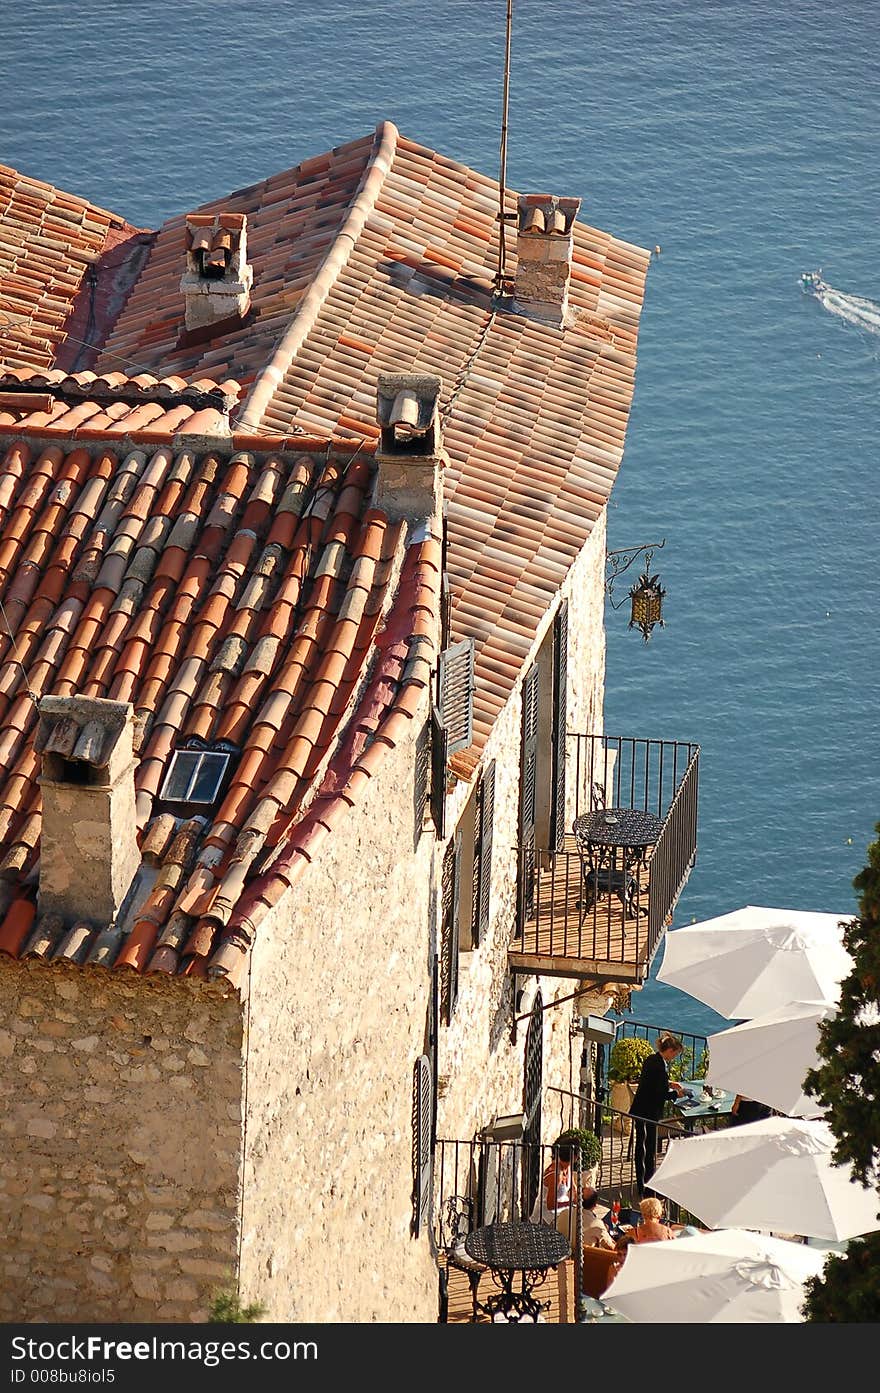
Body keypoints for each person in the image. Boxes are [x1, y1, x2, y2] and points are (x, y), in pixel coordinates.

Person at [629, 1032, 685, 1196]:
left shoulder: (652, 1060)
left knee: (642, 1147)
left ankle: (643, 1183)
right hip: (648, 1113)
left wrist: (669, 1083)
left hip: (641, 1110)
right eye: (675, 1054)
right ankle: (646, 1187)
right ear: (669, 1051)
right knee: (647, 1150)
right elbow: (659, 1094)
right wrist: (677, 1094)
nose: (674, 1057)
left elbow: (652, 1082)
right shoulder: (659, 1067)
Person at [532, 1140, 574, 1225]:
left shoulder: (567, 1168)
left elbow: (574, 1188)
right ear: (575, 1157)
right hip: (546, 1216)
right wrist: (569, 1203)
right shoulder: (555, 1175)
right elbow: (550, 1205)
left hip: (561, 1212)